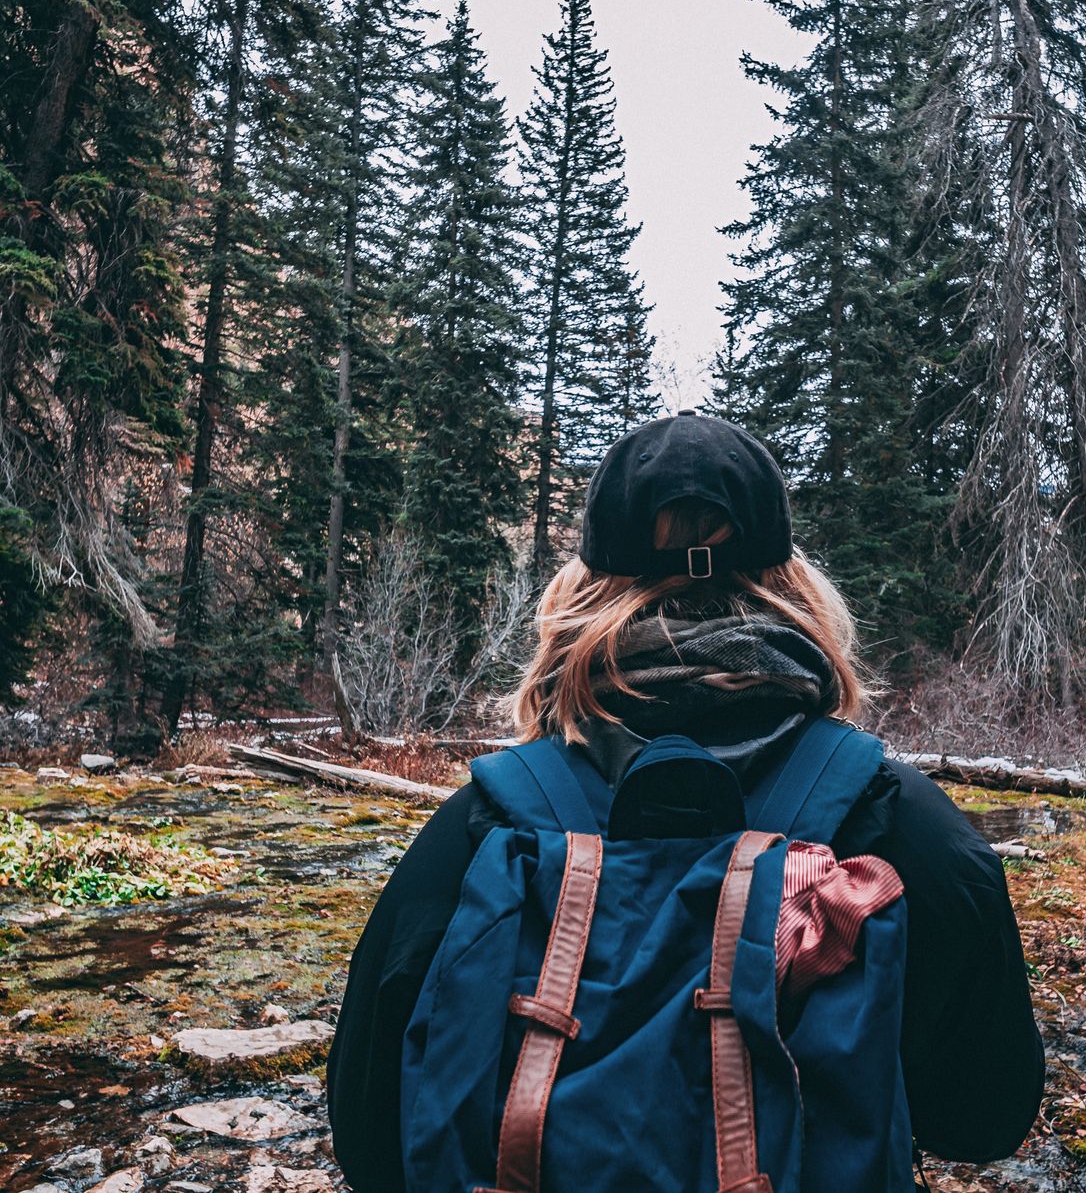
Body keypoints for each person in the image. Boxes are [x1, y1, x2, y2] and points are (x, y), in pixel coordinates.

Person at [327, 411, 1044, 1191]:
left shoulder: (484, 819)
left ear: (588, 590)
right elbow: (985, 1119)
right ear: (789, 584)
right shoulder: (901, 818)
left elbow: (372, 1138)